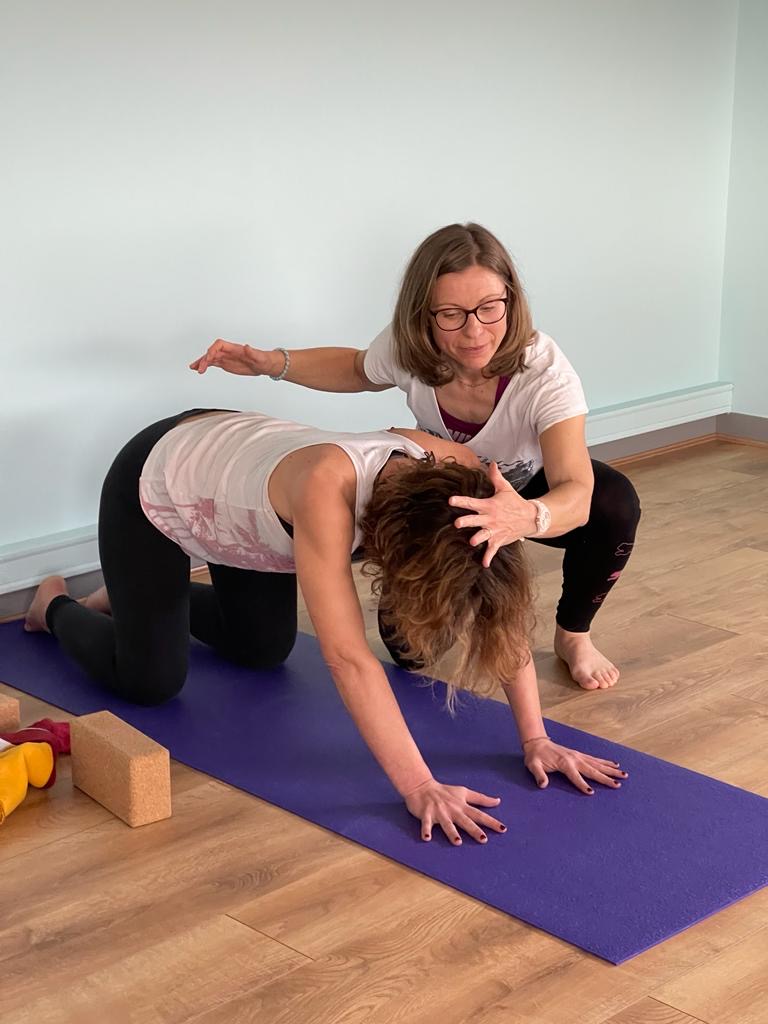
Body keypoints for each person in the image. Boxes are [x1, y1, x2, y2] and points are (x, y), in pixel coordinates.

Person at [25, 408, 627, 847]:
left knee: (262, 649)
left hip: (242, 514)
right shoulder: (326, 494)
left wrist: (534, 737)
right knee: (150, 680)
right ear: (392, 552)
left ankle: (143, 599)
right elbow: (349, 659)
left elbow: (496, 609)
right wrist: (420, 786)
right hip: (160, 480)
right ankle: (55, 606)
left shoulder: (466, 478)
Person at [190, 223, 642, 691]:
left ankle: (574, 634)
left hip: (520, 486)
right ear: (423, 314)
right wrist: (272, 364)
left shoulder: (544, 371)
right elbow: (356, 368)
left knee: (614, 504)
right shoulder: (413, 347)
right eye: (451, 313)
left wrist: (523, 516)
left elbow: (577, 491)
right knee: (411, 652)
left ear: (510, 297)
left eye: (490, 308)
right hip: (444, 491)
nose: (474, 331)